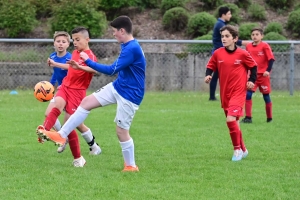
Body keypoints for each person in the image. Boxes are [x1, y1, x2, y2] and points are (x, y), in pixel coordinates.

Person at [37, 15, 146, 172]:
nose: (113, 34)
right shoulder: (127, 45)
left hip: (130, 94)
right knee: (86, 103)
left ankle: (131, 166)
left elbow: (111, 70)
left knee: (121, 131)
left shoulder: (132, 48)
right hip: (118, 86)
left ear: (122, 30)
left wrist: (87, 61)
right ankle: (61, 135)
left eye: (115, 31)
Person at [36, 27, 102, 167]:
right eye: (74, 40)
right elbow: (71, 68)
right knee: (56, 106)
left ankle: (79, 158)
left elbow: (96, 70)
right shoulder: (75, 53)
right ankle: (44, 130)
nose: (75, 43)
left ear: (87, 39)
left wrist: (80, 67)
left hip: (77, 92)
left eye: (77, 40)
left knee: (69, 125)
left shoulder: (90, 55)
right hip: (65, 87)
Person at [204, 25, 257, 161]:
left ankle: (237, 150)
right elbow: (211, 66)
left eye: (227, 36)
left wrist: (251, 80)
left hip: (238, 93)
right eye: (222, 36)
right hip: (225, 93)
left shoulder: (243, 54)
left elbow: (253, 66)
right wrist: (208, 75)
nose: (224, 39)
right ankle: (244, 149)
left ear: (235, 39)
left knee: (230, 119)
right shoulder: (218, 53)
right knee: (235, 122)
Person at [209, 6, 249, 101]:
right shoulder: (221, 25)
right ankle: (212, 96)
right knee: (217, 75)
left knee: (218, 75)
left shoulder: (220, 24)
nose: (230, 16)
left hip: (220, 52)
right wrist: (243, 42)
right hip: (220, 53)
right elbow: (230, 38)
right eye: (229, 14)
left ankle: (214, 96)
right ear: (223, 15)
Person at [241, 28, 275, 123]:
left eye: (257, 34)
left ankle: (269, 118)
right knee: (248, 94)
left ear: (261, 36)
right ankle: (248, 118)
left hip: (263, 76)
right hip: (253, 76)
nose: (254, 36)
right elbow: (247, 60)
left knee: (266, 96)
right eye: (253, 34)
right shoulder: (249, 47)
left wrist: (268, 70)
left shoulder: (265, 46)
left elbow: (271, 59)